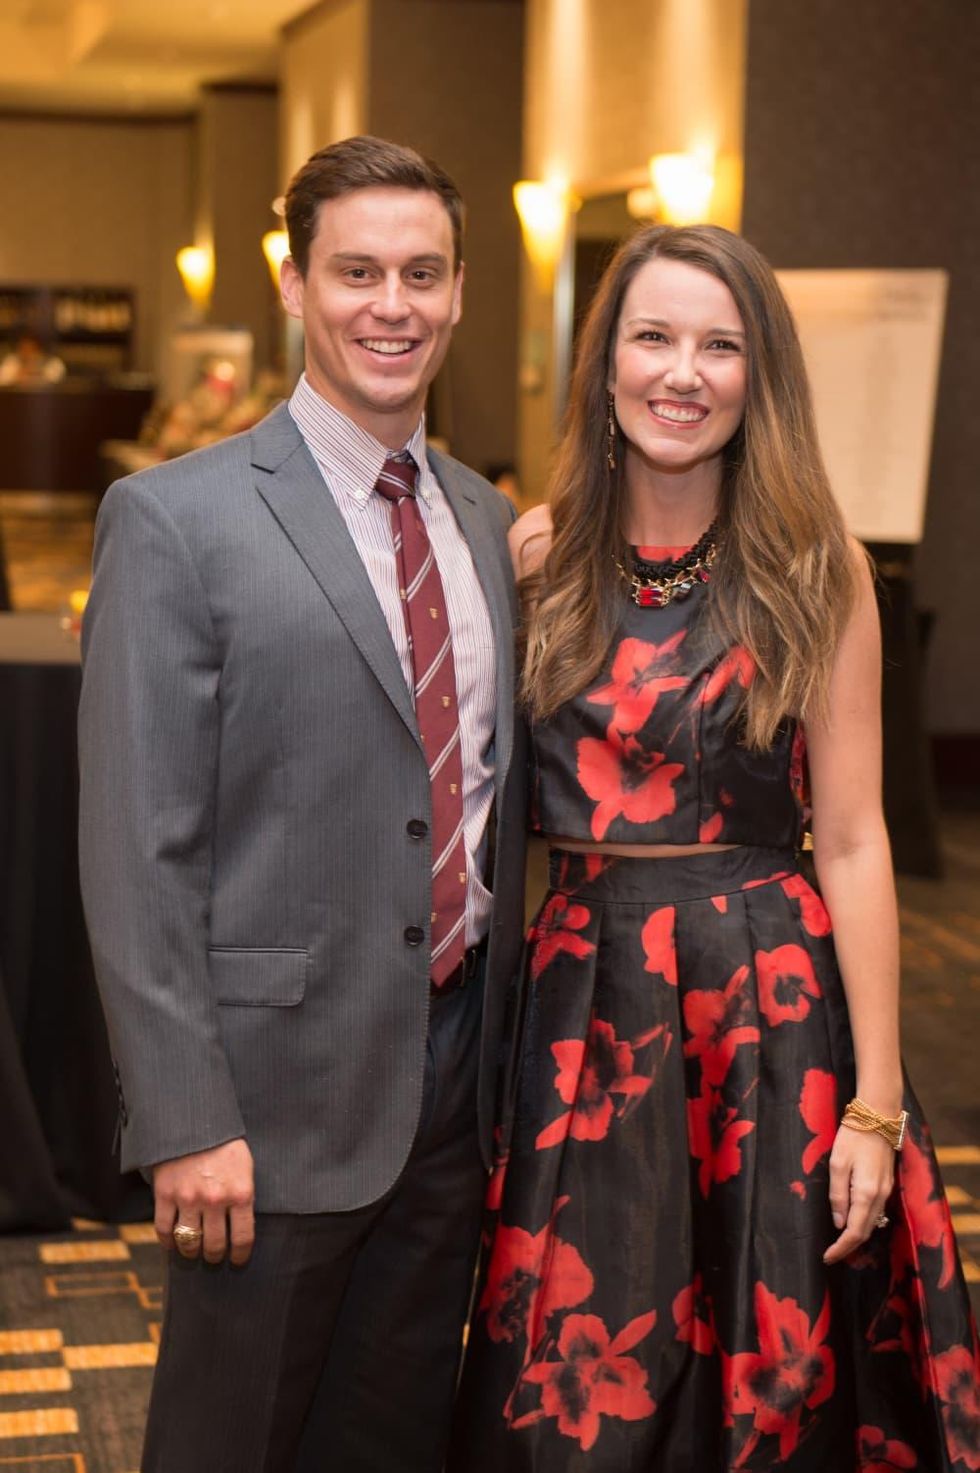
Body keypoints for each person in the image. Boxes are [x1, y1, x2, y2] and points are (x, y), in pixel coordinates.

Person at [448, 224, 979, 1471]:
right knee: (571, 1369)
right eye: (652, 338)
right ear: (606, 364)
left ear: (758, 377)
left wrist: (875, 1105)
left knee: (770, 1369)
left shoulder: (813, 569)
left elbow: (852, 839)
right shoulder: (533, 555)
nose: (681, 373)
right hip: (579, 1006)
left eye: (718, 346)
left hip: (763, 1006)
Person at [78, 135, 525, 1473]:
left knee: (393, 1436)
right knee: (231, 1440)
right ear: (293, 284)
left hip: (456, 1085)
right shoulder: (174, 519)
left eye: (422, 273)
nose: (393, 304)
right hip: (264, 1103)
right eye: (357, 272)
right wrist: (184, 1116)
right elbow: (137, 849)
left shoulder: (486, 521)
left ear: (459, 291)